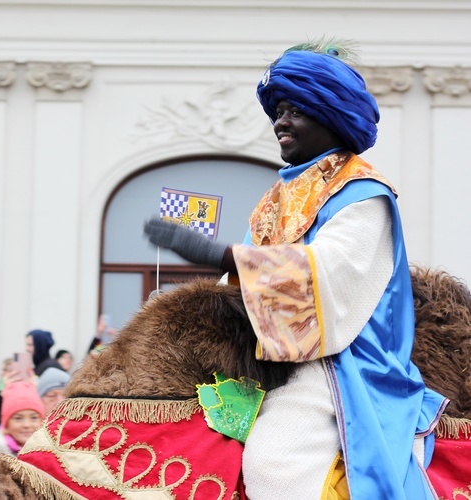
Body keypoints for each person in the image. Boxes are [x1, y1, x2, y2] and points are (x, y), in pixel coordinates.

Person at [143, 41, 448, 498]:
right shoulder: (277, 199)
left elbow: (323, 278)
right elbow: (242, 289)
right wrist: (183, 308)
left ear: (331, 116)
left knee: (275, 461)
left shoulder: (363, 196)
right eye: (278, 111)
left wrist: (222, 256)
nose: (279, 123)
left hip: (342, 363)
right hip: (270, 357)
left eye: (294, 111)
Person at [0, 381, 44, 459]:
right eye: (18, 418)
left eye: (34, 418)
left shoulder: (52, 456)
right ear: (6, 424)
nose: (27, 425)